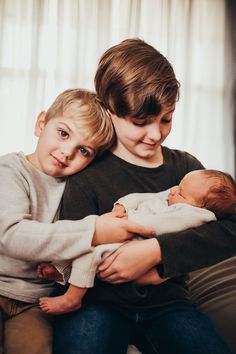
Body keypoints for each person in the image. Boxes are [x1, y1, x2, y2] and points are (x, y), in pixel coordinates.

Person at [53, 39, 236, 354]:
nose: (156, 133)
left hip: (169, 304)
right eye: (141, 123)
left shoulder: (187, 169)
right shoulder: (86, 170)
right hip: (97, 303)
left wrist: (156, 252)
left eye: (166, 119)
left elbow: (229, 227)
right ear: (109, 110)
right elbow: (70, 243)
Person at [0, 88, 155, 354]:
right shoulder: (10, 171)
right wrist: (95, 229)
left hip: (36, 303)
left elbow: (79, 252)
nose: (67, 152)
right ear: (41, 124)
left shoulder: (76, 187)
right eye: (63, 133)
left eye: (83, 150)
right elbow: (12, 235)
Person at [38, 168, 236, 315]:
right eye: (139, 123)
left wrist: (153, 248)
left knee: (92, 254)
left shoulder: (192, 214)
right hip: (116, 244)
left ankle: (72, 297)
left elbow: (159, 224)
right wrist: (121, 206)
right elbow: (144, 197)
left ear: (200, 209)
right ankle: (62, 268)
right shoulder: (179, 196)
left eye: (181, 192)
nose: (173, 189)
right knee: (86, 229)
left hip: (133, 242)